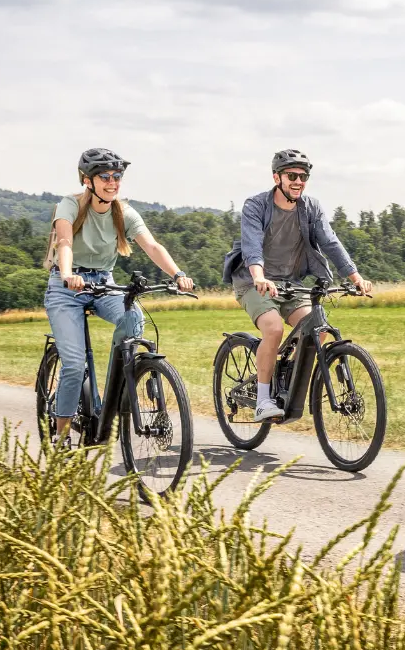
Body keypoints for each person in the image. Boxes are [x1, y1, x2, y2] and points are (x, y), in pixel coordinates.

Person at [44, 147, 194, 446]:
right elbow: (64, 242)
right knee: (74, 364)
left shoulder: (123, 212)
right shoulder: (70, 205)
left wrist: (178, 275)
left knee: (132, 319)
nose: (112, 182)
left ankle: (113, 392)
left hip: (104, 283)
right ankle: (60, 437)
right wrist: (67, 273)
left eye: (116, 176)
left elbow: (152, 246)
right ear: (88, 180)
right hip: (67, 287)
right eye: (104, 177)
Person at [221, 149, 372, 420]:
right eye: (292, 175)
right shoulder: (256, 205)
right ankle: (263, 400)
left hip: (292, 284)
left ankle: (285, 378)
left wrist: (355, 277)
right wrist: (258, 276)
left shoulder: (311, 208)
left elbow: (330, 242)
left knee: (318, 329)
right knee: (274, 328)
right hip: (252, 281)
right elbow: (251, 246)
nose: (298, 181)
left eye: (303, 176)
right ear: (276, 177)